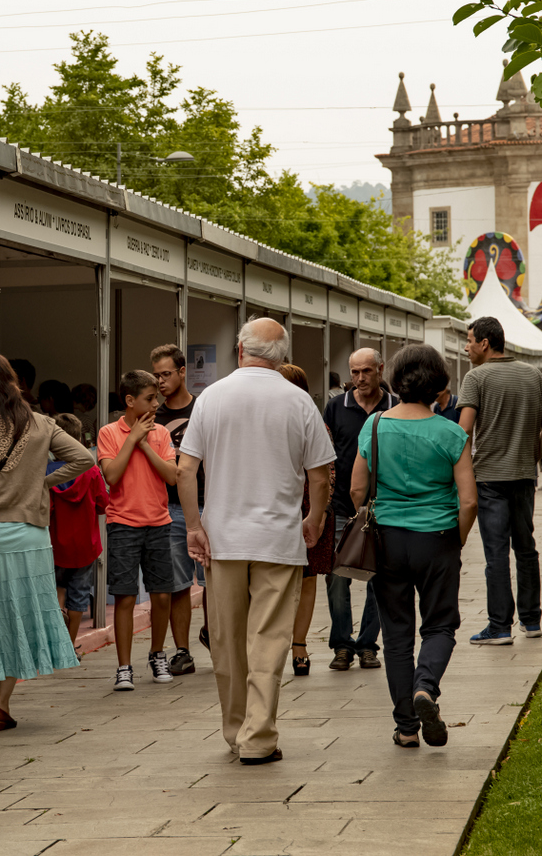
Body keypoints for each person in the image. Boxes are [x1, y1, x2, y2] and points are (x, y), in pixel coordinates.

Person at [178, 319, 333, 766]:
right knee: (268, 640)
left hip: (223, 539)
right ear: (282, 356)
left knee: (226, 641)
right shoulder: (298, 400)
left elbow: (186, 469)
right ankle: (259, 736)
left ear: (240, 351)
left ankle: (235, 730)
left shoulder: (212, 397)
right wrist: (314, 519)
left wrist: (193, 525)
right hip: (278, 538)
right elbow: (319, 475)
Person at [0, 353, 92, 731]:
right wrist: (40, 483)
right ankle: (4, 706)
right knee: (18, 617)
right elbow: (84, 459)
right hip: (30, 536)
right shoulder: (41, 422)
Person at [350, 343, 477, 749]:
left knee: (397, 634)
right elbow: (470, 500)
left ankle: (406, 727)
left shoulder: (373, 426)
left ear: (396, 379)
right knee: (440, 624)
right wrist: (455, 539)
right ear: (438, 383)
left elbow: (356, 488)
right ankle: (426, 687)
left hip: (387, 540)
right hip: (437, 538)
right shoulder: (452, 432)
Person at [457, 316, 542, 647]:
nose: (466, 346)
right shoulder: (533, 374)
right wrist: (531, 458)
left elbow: (463, 431)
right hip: (524, 476)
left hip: (489, 480)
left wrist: (462, 473)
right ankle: (532, 620)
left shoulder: (475, 378)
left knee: (496, 552)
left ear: (485, 343)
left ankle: (499, 626)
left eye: (469, 340)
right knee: (525, 547)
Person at [98, 369, 183, 690]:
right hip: (122, 524)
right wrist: (132, 438)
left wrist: (145, 444)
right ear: (130, 401)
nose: (156, 403)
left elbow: (172, 476)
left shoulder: (160, 433)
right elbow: (113, 476)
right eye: (150, 398)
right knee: (125, 595)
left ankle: (157, 653)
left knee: (162, 594)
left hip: (159, 523)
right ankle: (124, 666)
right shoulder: (109, 432)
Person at [320, 349, 395, 671]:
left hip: (385, 506)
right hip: (340, 507)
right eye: (355, 372)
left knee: (380, 578)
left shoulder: (396, 407)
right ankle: (342, 645)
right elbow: (324, 457)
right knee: (338, 578)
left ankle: (367, 645)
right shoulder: (336, 407)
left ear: (380, 369)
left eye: (366, 371)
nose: (360, 378)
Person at [151, 343, 205, 672]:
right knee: (178, 584)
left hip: (206, 502)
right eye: (156, 375)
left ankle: (215, 633)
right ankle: (182, 650)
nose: (160, 381)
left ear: (183, 372)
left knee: (213, 580)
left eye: (166, 374)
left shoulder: (203, 409)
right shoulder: (152, 417)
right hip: (169, 507)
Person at [277, 363, 334, 675]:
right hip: (276, 506)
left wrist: (320, 512)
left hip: (310, 505)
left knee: (308, 578)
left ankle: (299, 645)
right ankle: (275, 642)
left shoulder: (314, 423)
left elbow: (329, 472)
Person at [47, 412, 108, 642]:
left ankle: (55, 640)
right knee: (79, 595)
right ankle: (70, 646)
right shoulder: (91, 471)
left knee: (55, 589)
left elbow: (44, 510)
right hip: (85, 546)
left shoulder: (46, 471)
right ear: (78, 439)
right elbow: (103, 505)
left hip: (54, 545)